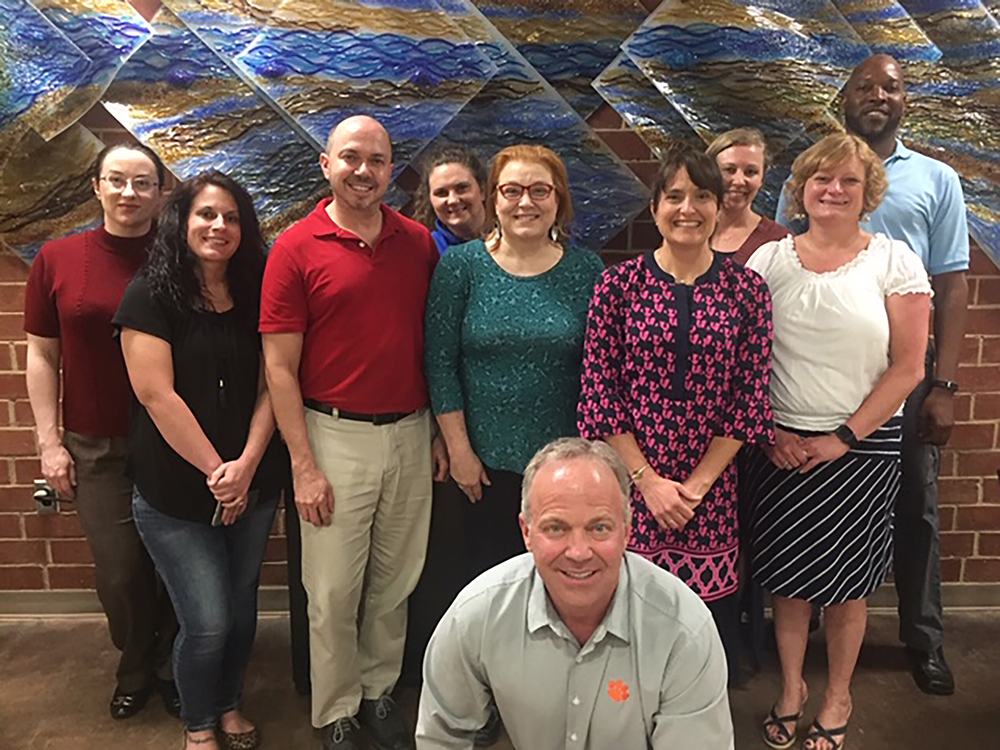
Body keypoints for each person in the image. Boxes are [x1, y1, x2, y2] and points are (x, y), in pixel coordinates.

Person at [260, 115, 448, 750]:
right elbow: (280, 369)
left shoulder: (418, 242)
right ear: (326, 165)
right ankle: (336, 707)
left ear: (390, 169)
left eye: (376, 159)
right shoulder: (294, 247)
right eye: (350, 157)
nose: (363, 170)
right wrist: (304, 466)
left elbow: (431, 345)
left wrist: (438, 434)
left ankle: (378, 690)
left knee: (396, 580)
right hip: (333, 435)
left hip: (411, 431)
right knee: (334, 588)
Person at [746, 133, 931, 750]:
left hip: (863, 446)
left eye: (849, 181)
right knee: (789, 583)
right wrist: (768, 431)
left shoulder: (893, 261)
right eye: (821, 178)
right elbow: (740, 359)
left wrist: (843, 437)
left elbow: (908, 368)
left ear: (867, 193)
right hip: (779, 446)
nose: (833, 189)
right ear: (800, 188)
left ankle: (838, 694)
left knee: (847, 588)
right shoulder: (769, 261)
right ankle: (794, 688)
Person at [422, 144, 604, 743]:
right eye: (511, 191)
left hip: (563, 477)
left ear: (559, 201)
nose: (525, 202)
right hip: (484, 469)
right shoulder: (463, 267)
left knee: (563, 590)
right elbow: (440, 363)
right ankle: (489, 698)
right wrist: (461, 449)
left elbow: (601, 371)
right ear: (493, 198)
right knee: (490, 596)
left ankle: (557, 699)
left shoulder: (586, 272)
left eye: (539, 191)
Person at [577, 143, 774, 683]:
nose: (688, 209)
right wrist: (649, 484)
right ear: (655, 205)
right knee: (628, 619)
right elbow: (600, 391)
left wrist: (693, 487)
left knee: (701, 628)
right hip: (633, 483)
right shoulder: (618, 286)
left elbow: (749, 399)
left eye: (702, 196)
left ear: (719, 206)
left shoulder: (747, 291)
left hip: (707, 489)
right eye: (675, 196)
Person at [115, 171, 289, 750]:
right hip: (176, 494)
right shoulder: (149, 294)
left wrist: (247, 465)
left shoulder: (259, 290)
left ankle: (229, 702)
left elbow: (275, 384)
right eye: (206, 215)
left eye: (232, 217)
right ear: (181, 222)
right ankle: (197, 724)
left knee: (240, 613)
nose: (219, 227)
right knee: (208, 620)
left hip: (254, 483)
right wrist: (220, 473)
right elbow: (156, 395)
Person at [416, 437, 733, 750]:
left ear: (627, 530)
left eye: (599, 528)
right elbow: (441, 738)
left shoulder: (685, 631)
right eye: (556, 528)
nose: (579, 552)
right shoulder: (476, 615)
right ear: (527, 532)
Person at [23, 143, 179, 720]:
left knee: (175, 564)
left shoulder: (180, 257)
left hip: (172, 439)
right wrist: (48, 441)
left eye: (143, 183)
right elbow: (42, 355)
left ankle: (169, 665)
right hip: (97, 444)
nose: (129, 193)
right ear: (97, 186)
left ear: (162, 193)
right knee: (120, 570)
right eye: (117, 180)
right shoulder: (58, 259)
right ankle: (135, 661)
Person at [706, 128, 789, 265]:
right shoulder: (685, 229)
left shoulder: (781, 242)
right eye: (729, 170)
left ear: (762, 178)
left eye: (751, 172)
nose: (739, 181)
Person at [412, 145, 488, 255]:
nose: (452, 200)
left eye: (462, 188)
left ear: (482, 191)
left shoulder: (514, 235)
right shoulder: (425, 253)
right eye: (441, 193)